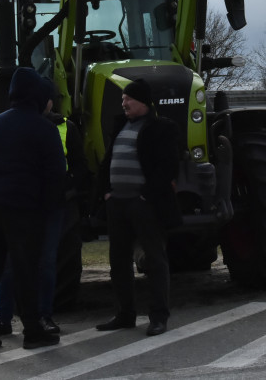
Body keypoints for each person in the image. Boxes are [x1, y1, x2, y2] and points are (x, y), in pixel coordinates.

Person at [0, 67, 67, 350]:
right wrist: (49, 208)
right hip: (23, 208)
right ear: (38, 97)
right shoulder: (44, 128)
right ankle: (33, 330)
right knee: (25, 267)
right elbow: (56, 176)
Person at [95, 78, 182, 337]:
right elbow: (107, 162)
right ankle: (124, 315)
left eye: (128, 99)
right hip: (118, 204)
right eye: (123, 99)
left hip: (144, 205)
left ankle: (158, 317)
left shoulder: (162, 128)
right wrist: (106, 193)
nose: (123, 103)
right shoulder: (121, 126)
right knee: (118, 262)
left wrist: (145, 196)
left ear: (142, 101)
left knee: (154, 260)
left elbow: (167, 167)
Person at [0, 106, 81, 338]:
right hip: (20, 205)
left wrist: (67, 193)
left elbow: (78, 166)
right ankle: (4, 318)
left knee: (45, 263)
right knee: (10, 265)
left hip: (50, 206)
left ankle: (43, 316)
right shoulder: (10, 125)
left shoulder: (64, 127)